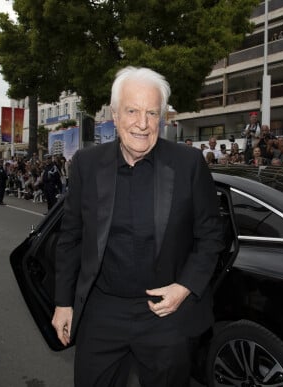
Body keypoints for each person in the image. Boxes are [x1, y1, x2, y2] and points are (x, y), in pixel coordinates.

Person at [51, 67, 224, 386]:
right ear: (115, 115)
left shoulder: (188, 164)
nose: (142, 124)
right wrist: (63, 302)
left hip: (165, 313)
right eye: (132, 111)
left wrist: (183, 288)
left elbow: (212, 235)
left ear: (163, 117)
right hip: (101, 312)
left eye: (151, 113)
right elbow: (71, 238)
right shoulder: (87, 165)